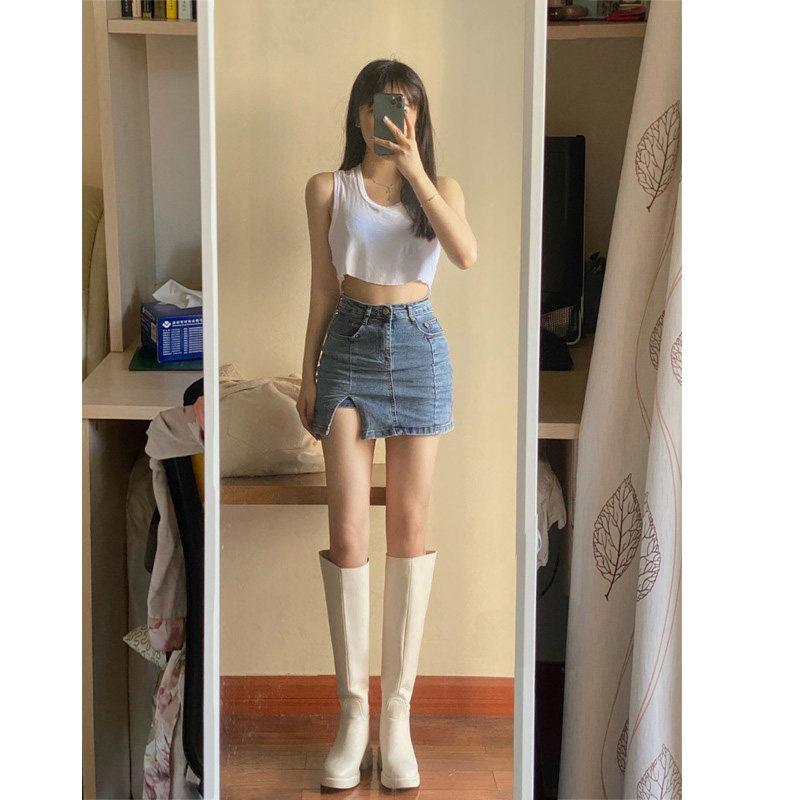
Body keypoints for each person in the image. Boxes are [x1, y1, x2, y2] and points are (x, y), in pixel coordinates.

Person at [297, 59, 477, 791]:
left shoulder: (441, 190)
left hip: (419, 348)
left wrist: (416, 172)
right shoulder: (327, 189)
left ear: (419, 118)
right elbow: (322, 285)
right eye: (382, 104)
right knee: (348, 534)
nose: (393, 116)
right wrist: (307, 372)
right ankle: (353, 717)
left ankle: (396, 719)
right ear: (359, 114)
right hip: (347, 347)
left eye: (408, 106)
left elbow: (465, 254)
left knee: (409, 527)